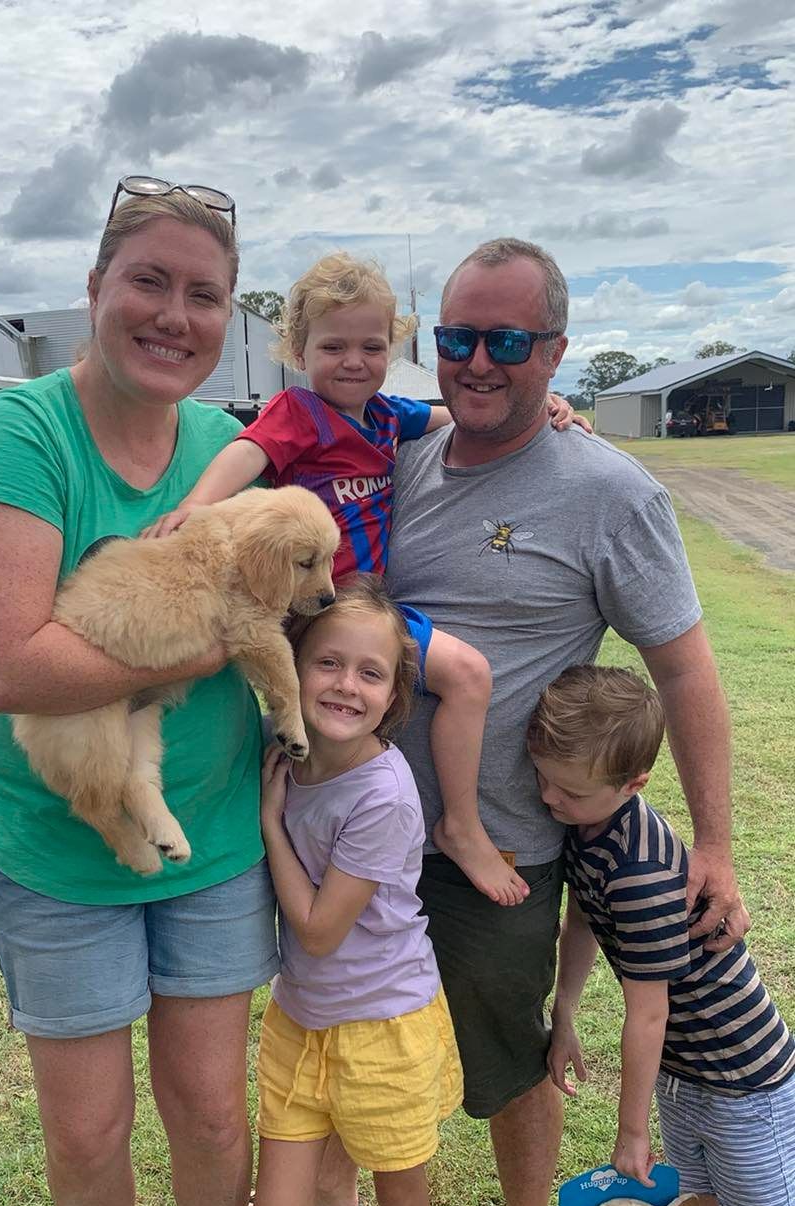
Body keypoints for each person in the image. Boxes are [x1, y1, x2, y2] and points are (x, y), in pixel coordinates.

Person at [312, 236, 750, 1206]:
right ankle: (341, 1170)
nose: (477, 362)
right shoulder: (397, 453)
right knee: (334, 1007)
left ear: (554, 350)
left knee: (510, 1057)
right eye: (456, 337)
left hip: (497, 845)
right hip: (352, 822)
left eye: (508, 341)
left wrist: (712, 841)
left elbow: (686, 669)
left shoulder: (608, 490)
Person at [0, 180, 271, 1206]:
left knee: (214, 1109)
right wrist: (194, 650)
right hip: (59, 850)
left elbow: (369, 442)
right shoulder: (24, 434)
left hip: (212, 845)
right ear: (95, 289)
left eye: (202, 295)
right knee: (85, 1133)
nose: (172, 314)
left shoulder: (228, 448)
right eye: (150, 281)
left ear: (228, 320)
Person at [152, 253, 587, 905]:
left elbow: (457, 416)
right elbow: (249, 450)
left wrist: (545, 403)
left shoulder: (387, 417)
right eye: (333, 346)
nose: (353, 361)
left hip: (364, 606)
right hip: (324, 604)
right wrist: (198, 506)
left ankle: (383, 840)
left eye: (371, 345)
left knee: (392, 718)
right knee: (463, 677)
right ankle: (460, 827)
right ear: (299, 350)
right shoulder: (298, 412)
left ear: (393, 346)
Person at [534, 664, 795, 1206]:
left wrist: (630, 1133)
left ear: (632, 781)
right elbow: (581, 918)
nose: (549, 800)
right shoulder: (588, 831)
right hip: (690, 1072)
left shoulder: (644, 871)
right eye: (543, 781)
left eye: (567, 791)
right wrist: (567, 1007)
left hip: (740, 1077)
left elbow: (648, 1014)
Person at [250, 575, 462, 1206]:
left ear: (395, 694)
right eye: (326, 663)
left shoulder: (384, 794)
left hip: (386, 1026)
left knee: (403, 1201)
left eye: (371, 674)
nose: (346, 685)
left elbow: (318, 926)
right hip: (301, 1021)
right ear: (289, 670)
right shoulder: (287, 752)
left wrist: (270, 824)